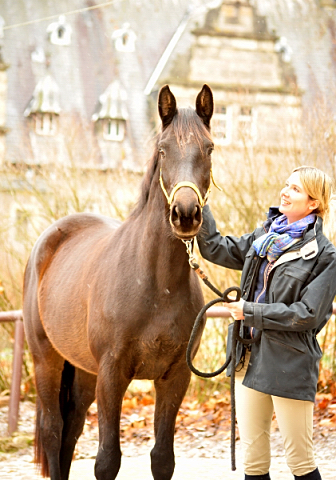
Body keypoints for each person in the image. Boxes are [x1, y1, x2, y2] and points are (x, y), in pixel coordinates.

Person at [196, 166, 336, 480]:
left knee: (300, 460)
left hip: (289, 363)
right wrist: (197, 198)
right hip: (247, 358)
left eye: (295, 189)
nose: (284, 192)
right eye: (286, 185)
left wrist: (251, 312)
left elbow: (307, 314)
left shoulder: (325, 256)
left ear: (313, 202)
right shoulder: (265, 237)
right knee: (254, 461)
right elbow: (218, 247)